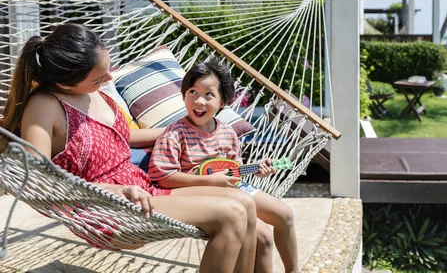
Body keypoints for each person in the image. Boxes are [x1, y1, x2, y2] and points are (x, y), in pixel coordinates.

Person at [1, 23, 258, 273]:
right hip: (104, 206)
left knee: (244, 202)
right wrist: (117, 190)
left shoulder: (92, 91)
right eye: (100, 78)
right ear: (68, 82)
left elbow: (121, 137)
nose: (109, 78)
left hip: (142, 188)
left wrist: (187, 131)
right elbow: (41, 182)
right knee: (231, 215)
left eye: (107, 69)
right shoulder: (45, 106)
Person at [148, 61, 299, 273]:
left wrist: (254, 169)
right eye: (192, 92)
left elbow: (233, 171)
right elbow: (162, 177)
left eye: (209, 94)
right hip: (196, 193)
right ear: (183, 96)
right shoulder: (175, 133)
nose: (199, 101)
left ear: (223, 102)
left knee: (285, 215)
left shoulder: (228, 133)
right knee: (263, 237)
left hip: (232, 189)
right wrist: (209, 181)